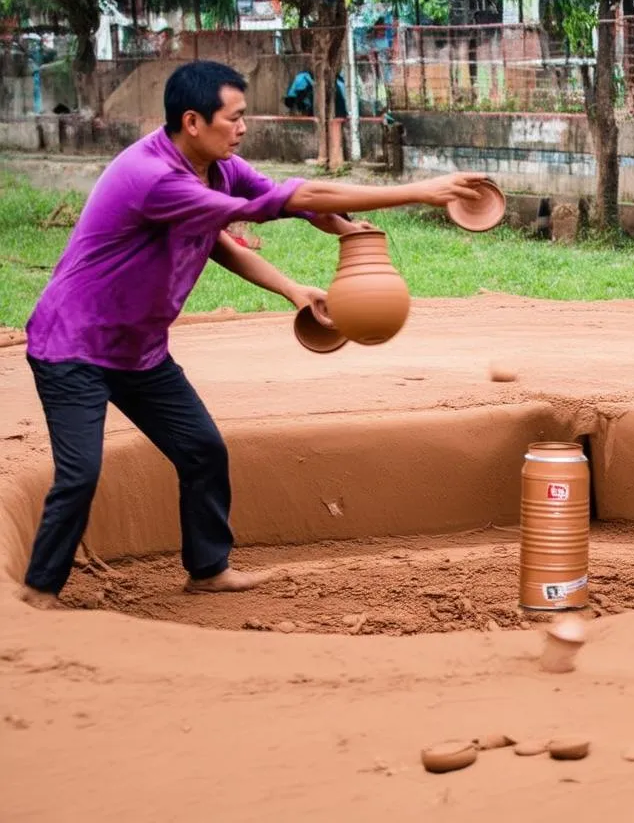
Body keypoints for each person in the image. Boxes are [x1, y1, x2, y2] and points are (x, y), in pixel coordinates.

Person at [20, 59, 485, 609]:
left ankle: (208, 568)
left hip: (138, 350)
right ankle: (38, 595)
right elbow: (291, 201)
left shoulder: (216, 167)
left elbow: (238, 228)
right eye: (234, 118)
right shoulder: (154, 178)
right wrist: (414, 192)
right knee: (80, 473)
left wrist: (303, 276)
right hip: (73, 345)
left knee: (201, 449)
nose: (243, 128)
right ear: (193, 121)